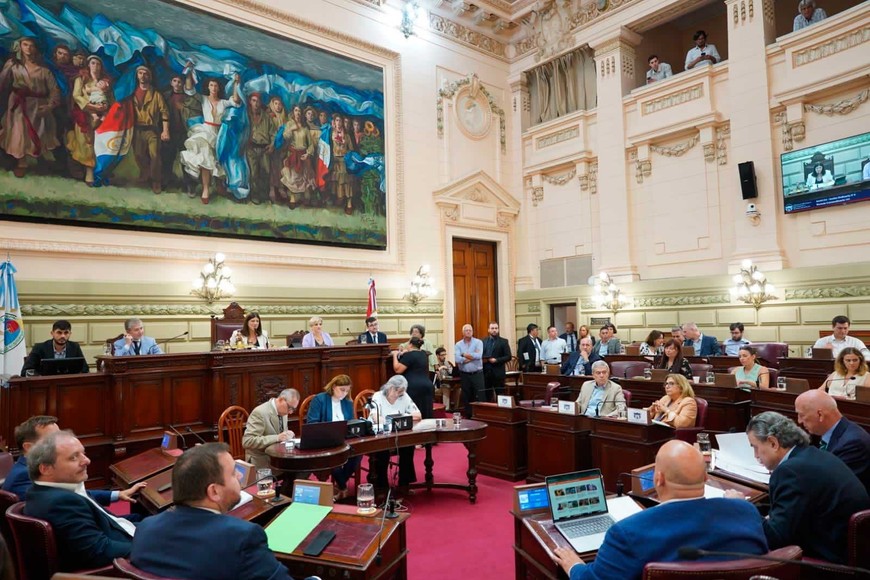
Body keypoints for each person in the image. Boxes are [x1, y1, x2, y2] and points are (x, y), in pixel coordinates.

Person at [553, 440, 767, 580]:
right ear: (705, 477)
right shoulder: (746, 512)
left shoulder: (627, 533)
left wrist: (575, 567)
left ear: (658, 479)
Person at [130, 443, 291, 580]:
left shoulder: (145, 528)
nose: (240, 475)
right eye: (234, 472)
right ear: (214, 491)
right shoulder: (242, 537)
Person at [728, 412, 870, 563]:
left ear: (773, 443)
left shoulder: (791, 471)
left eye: (755, 447)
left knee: (736, 546)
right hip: (846, 548)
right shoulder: (810, 455)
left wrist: (741, 506)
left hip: (829, 560)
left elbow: (774, 539)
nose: (755, 455)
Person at [25, 431, 146, 571]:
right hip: (122, 565)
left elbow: (109, 525)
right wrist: (149, 547)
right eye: (73, 457)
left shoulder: (47, 491)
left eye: (83, 453)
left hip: (121, 534)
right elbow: (99, 551)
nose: (86, 460)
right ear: (45, 469)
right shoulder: (61, 502)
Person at [0, 37, 61, 178]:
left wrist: (50, 106)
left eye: (32, 45)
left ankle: (39, 160)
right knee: (19, 132)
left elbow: (54, 90)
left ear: (36, 49)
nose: (28, 48)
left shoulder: (44, 70)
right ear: (19, 46)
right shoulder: (13, 65)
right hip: (17, 104)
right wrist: (7, 69)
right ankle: (22, 163)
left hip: (38, 104)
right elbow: (2, 83)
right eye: (25, 44)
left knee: (39, 133)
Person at [179, 71, 241, 204]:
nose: (213, 88)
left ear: (219, 88)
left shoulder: (223, 103)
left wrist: (236, 83)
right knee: (205, 157)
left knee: (220, 159)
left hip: (219, 133)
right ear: (208, 87)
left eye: (216, 86)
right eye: (211, 85)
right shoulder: (203, 99)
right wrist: (189, 73)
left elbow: (235, 101)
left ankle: (219, 186)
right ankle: (206, 188)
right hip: (206, 130)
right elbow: (189, 89)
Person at [795, 389, 870, 490]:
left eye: (802, 415)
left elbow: (829, 484)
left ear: (820, 415)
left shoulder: (853, 443)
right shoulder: (828, 431)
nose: (799, 421)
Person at [306, 375, 359, 499]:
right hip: (324, 440)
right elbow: (312, 423)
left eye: (347, 390)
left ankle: (340, 486)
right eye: (342, 390)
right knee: (334, 457)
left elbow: (350, 422)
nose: (344, 393)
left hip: (344, 439)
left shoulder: (347, 402)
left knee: (358, 453)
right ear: (334, 387)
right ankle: (343, 487)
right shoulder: (320, 399)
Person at [66, 55, 112, 185]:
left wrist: (105, 107)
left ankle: (98, 171)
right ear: (88, 65)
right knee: (86, 143)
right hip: (85, 115)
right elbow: (76, 96)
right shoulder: (82, 79)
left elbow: (110, 99)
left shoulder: (105, 82)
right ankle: (89, 172)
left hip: (101, 116)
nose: (95, 66)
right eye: (93, 63)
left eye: (98, 64)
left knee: (99, 144)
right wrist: (91, 106)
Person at [369, 376, 420, 493]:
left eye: (401, 392)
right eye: (397, 391)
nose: (399, 395)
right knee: (382, 451)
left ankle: (404, 484)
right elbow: (375, 417)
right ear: (390, 387)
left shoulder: (404, 396)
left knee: (408, 447)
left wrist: (399, 418)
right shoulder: (378, 396)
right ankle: (382, 486)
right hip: (381, 435)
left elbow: (418, 414)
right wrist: (389, 421)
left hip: (399, 435)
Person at [129, 65, 170, 194]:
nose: (142, 76)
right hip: (136, 129)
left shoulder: (156, 94)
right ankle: (145, 172)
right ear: (137, 76)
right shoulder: (132, 93)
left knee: (155, 155)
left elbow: (165, 113)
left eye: (145, 73)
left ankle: (156, 181)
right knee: (138, 155)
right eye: (140, 73)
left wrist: (165, 130)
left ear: (149, 76)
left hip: (152, 130)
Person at [2, 415, 59, 497]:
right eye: (52, 439)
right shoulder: (24, 476)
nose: (62, 443)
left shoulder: (44, 466)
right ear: (29, 447)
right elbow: (56, 504)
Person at [242, 388, 300, 469]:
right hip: (261, 462)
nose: (290, 412)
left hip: (278, 459)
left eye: (294, 409)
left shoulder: (284, 412)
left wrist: (287, 434)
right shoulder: (260, 413)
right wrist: (277, 437)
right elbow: (247, 441)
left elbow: (281, 434)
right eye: (290, 408)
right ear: (281, 400)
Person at [21, 319, 90, 375]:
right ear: (52, 333)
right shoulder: (39, 348)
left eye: (66, 333)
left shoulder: (75, 347)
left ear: (70, 334)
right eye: (59, 332)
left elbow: (85, 369)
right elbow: (26, 371)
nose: (63, 336)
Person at [392, 337, 434, 418]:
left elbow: (397, 370)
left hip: (414, 387)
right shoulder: (423, 354)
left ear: (410, 345)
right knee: (426, 412)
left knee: (415, 413)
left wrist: (394, 355)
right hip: (427, 385)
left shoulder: (409, 355)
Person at [455, 323, 484, 417]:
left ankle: (480, 415)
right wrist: (470, 357)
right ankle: (469, 416)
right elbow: (457, 359)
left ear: (472, 332)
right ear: (463, 332)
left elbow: (479, 356)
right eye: (466, 330)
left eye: (470, 330)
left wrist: (463, 354)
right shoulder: (458, 344)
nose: (468, 332)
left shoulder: (478, 342)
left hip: (477, 374)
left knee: (480, 395)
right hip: (465, 375)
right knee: (466, 397)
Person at [482, 321, 512, 399]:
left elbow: (508, 356)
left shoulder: (503, 341)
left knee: (500, 396)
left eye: (496, 328)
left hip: (498, 373)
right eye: (492, 328)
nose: (494, 330)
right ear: (488, 330)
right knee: (487, 396)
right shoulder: (483, 341)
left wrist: (497, 360)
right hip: (486, 373)